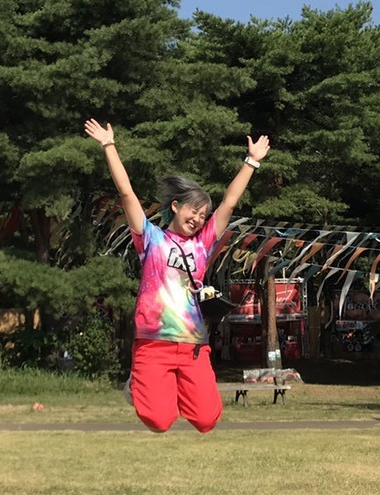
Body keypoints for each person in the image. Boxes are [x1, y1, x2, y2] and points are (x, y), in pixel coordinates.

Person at [84, 118, 271, 433]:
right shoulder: (151, 238)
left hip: (193, 344)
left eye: (202, 215)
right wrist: (108, 145)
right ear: (175, 206)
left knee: (207, 420)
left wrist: (251, 161)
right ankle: (138, 385)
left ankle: (168, 390)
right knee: (159, 421)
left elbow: (229, 202)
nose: (198, 219)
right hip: (153, 343)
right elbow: (127, 193)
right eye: (192, 211)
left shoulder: (203, 244)